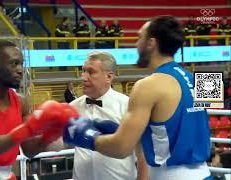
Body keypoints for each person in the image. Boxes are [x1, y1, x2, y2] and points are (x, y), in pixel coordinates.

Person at [64, 15, 212, 180]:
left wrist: (87, 136)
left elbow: (121, 148)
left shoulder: (147, 85)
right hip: (205, 173)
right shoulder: (204, 78)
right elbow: (198, 126)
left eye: (139, 37)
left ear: (151, 43)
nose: (136, 44)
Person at [0, 40, 78, 179]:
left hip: (7, 175)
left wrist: (48, 137)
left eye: (21, 64)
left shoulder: (20, 101)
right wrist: (25, 130)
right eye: (14, 63)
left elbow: (29, 150)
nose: (20, 70)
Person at [68, 51, 149, 180]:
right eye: (83, 71)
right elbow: (59, 142)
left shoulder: (127, 106)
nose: (83, 77)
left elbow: (143, 155)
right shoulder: (72, 107)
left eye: (91, 72)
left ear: (109, 77)